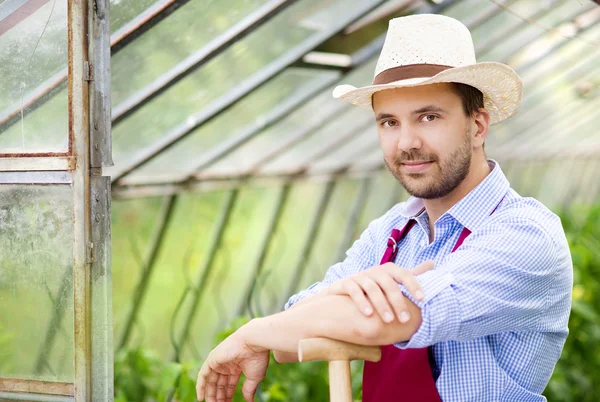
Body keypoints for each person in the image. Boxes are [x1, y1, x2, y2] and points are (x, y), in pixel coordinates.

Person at [196, 14, 572, 402]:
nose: (406, 142)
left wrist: (251, 332)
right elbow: (293, 339)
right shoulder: (391, 231)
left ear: (477, 126)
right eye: (389, 122)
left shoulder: (525, 233)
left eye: (429, 117)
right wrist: (338, 294)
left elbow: (382, 321)